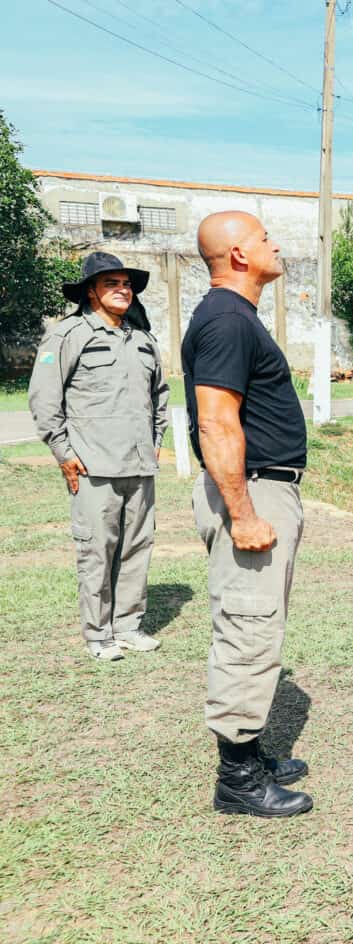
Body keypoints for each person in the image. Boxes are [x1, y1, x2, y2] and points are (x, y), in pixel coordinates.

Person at [183, 211, 311, 817]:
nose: (275, 244)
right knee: (248, 626)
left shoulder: (235, 318)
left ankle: (251, 752)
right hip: (250, 492)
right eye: (264, 238)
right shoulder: (227, 320)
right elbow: (216, 420)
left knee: (257, 623)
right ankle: (237, 780)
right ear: (238, 254)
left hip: (262, 488)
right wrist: (242, 512)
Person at [28, 252, 169, 661]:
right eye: (112, 283)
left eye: (126, 284)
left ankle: (128, 626)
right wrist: (63, 452)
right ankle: (98, 635)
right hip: (92, 467)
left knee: (136, 549)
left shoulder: (143, 339)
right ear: (91, 292)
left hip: (139, 466)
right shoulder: (68, 335)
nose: (122, 290)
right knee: (96, 552)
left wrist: (156, 439)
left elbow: (160, 397)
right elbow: (45, 399)